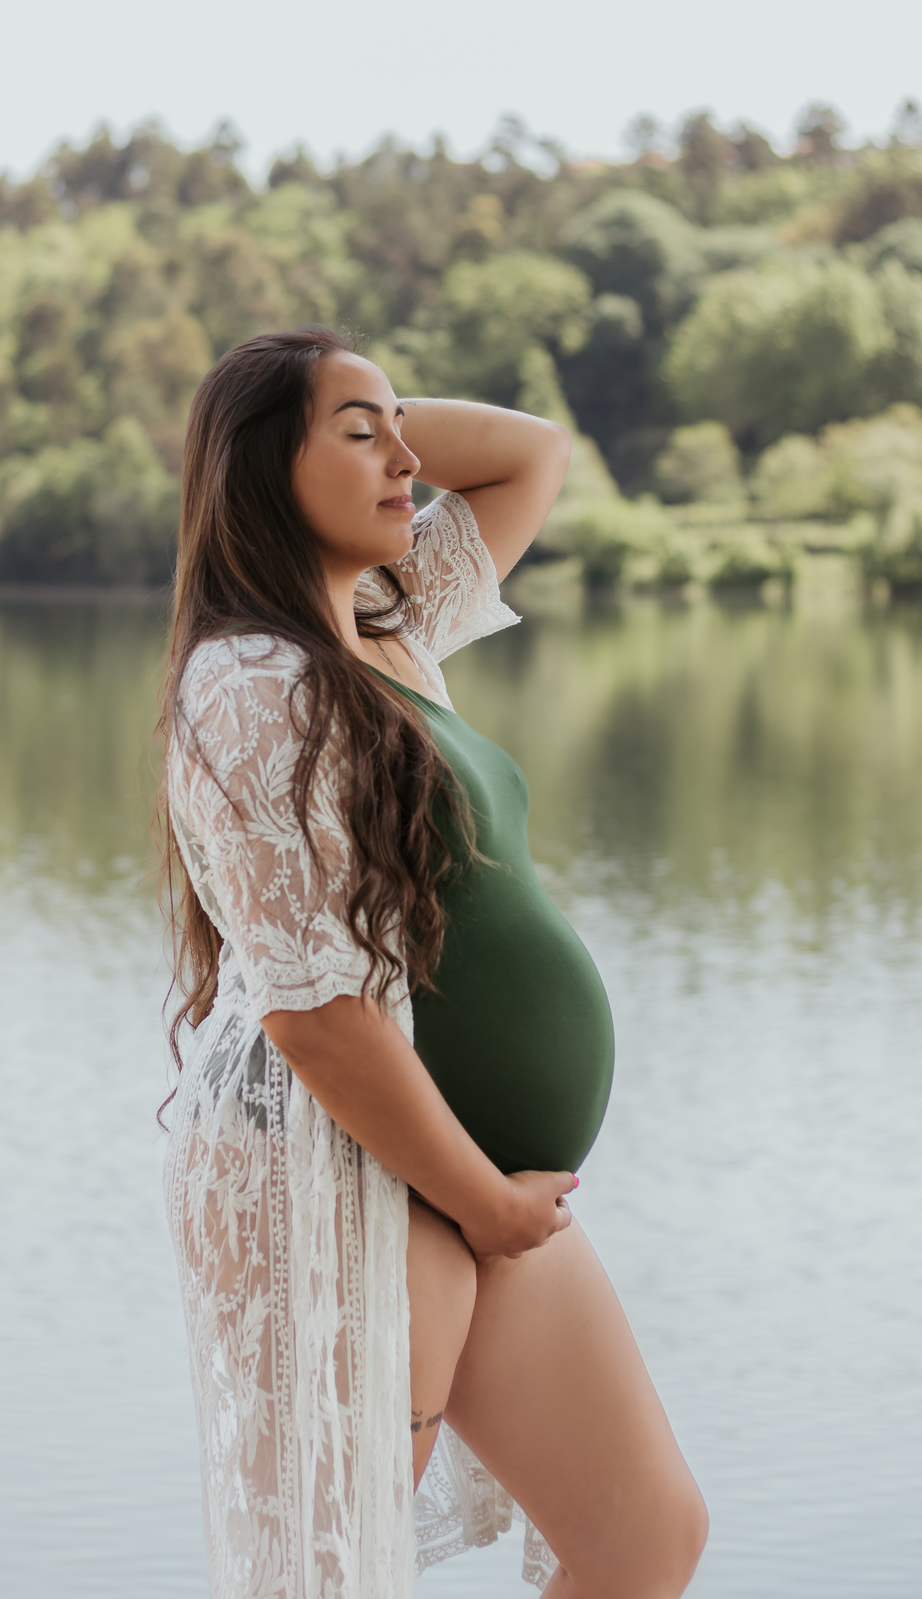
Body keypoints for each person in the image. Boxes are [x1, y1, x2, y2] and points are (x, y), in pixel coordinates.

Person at [158, 327, 707, 1598]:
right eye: (363, 437)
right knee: (331, 1578)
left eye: (403, 428)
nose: (410, 460)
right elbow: (316, 1017)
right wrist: (477, 1200)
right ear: (256, 472)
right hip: (352, 1171)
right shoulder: (248, 682)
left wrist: (363, 410)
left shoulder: (392, 629)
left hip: (476, 1186)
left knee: (644, 1539)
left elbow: (530, 455)